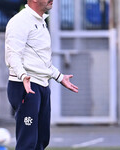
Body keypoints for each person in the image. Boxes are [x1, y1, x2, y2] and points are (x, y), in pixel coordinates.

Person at [5, 0, 78, 149]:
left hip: (42, 86)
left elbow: (41, 61)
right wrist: (22, 75)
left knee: (42, 140)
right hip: (26, 86)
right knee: (28, 142)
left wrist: (59, 77)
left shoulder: (41, 21)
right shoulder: (20, 21)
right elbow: (12, 55)